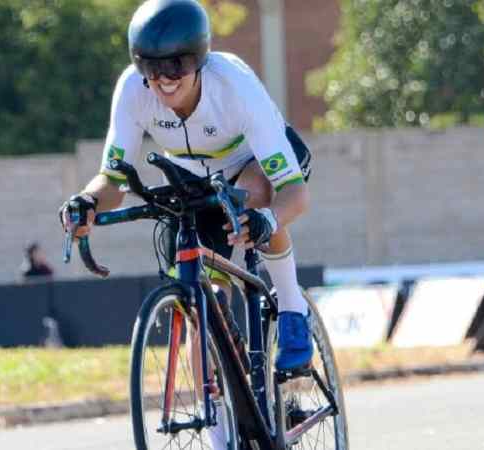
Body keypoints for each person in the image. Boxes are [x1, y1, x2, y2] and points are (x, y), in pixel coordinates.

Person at [59, 0, 313, 371]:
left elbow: (295, 193)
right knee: (205, 310)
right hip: (193, 180)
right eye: (150, 67)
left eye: (176, 65)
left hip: (256, 164)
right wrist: (87, 200)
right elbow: (113, 179)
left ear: (199, 59)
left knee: (253, 196)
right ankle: (221, 423)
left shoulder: (233, 86)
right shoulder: (133, 90)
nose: (163, 79)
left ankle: (292, 309)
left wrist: (267, 222)